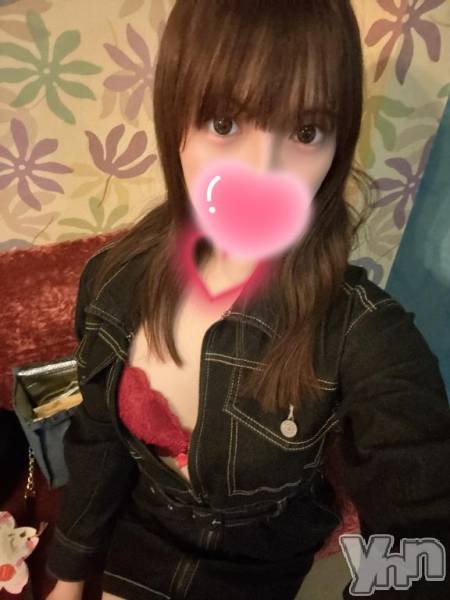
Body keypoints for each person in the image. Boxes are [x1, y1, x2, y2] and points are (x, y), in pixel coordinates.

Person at [45, 1, 450, 599]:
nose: (265, 172)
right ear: (175, 120)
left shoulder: (363, 335)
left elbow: (425, 525)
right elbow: (98, 436)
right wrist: (68, 577)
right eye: (224, 122)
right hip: (140, 538)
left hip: (259, 568)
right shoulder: (114, 283)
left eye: (306, 132)